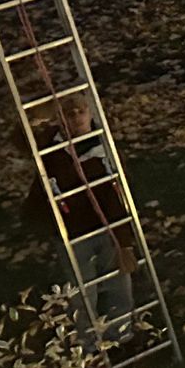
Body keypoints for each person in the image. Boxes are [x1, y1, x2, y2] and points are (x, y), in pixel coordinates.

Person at [20, 92, 136, 345]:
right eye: (69, 113)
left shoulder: (102, 145)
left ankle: (123, 339)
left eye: (81, 110)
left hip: (106, 227)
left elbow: (117, 196)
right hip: (72, 232)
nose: (76, 117)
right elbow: (21, 141)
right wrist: (33, 118)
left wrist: (124, 242)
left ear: (91, 112)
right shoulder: (51, 147)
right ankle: (88, 349)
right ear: (60, 119)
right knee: (83, 294)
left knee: (119, 284)